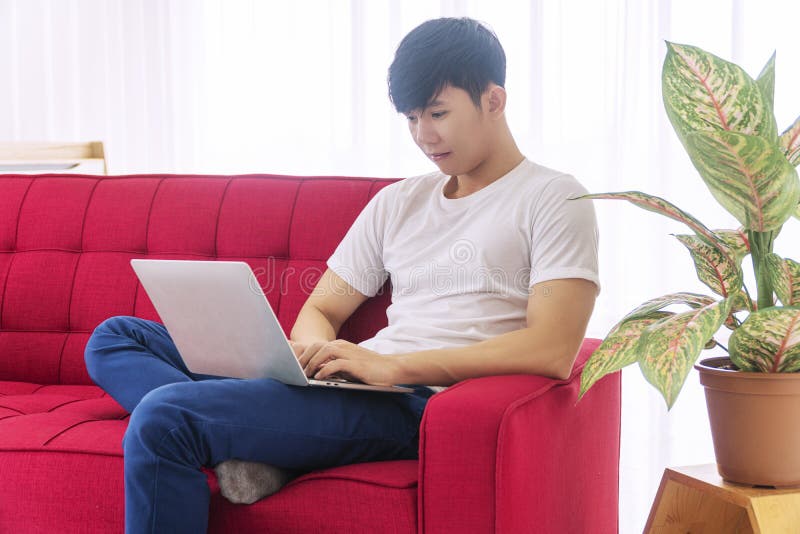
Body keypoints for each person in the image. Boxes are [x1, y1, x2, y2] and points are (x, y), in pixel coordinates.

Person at [84, 16, 599, 534]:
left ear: (494, 99)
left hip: (417, 402)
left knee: (165, 417)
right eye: (412, 118)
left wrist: (394, 368)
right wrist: (308, 353)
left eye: (438, 113)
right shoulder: (398, 201)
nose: (424, 135)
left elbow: (551, 349)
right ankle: (248, 443)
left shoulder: (554, 198)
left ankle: (241, 436)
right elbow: (323, 308)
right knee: (115, 338)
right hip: (353, 383)